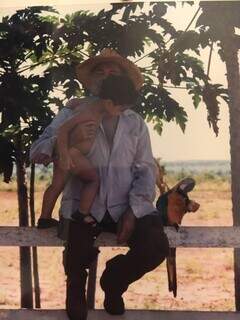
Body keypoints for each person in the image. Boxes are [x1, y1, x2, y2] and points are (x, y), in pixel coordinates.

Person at [30, 48, 169, 320]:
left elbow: (145, 169)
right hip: (83, 205)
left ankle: (114, 282)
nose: (105, 76)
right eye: (99, 71)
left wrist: (134, 210)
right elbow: (37, 151)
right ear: (91, 81)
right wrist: (69, 140)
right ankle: (75, 290)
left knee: (156, 246)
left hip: (125, 203)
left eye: (112, 72)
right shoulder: (72, 112)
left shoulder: (135, 123)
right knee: (77, 252)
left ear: (123, 81)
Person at [35, 75, 139, 229]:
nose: (121, 113)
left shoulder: (95, 107)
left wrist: (73, 103)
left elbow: (78, 102)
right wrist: (64, 154)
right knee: (93, 180)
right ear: (109, 102)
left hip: (71, 154)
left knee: (56, 185)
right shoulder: (89, 112)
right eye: (121, 109)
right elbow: (64, 129)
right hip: (73, 154)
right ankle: (82, 213)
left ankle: (44, 218)